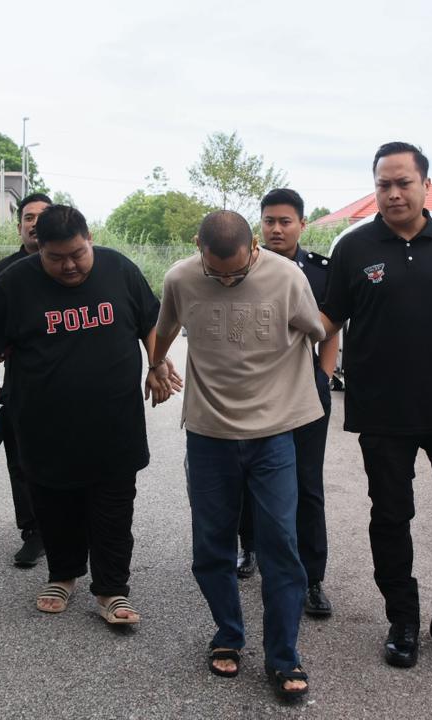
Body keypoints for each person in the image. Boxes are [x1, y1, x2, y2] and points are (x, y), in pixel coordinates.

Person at [319, 142, 432, 669]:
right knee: (390, 517)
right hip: (383, 412)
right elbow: (328, 320)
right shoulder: (354, 248)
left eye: (404, 182)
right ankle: (402, 619)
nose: (394, 193)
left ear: (426, 185)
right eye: (384, 184)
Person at [147, 210, 325, 701]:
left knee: (280, 545)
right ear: (198, 248)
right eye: (217, 273)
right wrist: (155, 362)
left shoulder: (287, 277)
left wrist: (317, 382)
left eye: (238, 272)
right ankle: (228, 632)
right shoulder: (180, 278)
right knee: (212, 544)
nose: (227, 280)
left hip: (273, 435)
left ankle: (283, 655)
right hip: (208, 434)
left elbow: (318, 330)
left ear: (254, 247)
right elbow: (165, 326)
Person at [0, 205, 175, 625]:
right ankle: (62, 576)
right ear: (38, 248)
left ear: (90, 239)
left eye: (78, 254)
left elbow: (149, 322)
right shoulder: (14, 283)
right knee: (54, 505)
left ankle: (112, 590)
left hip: (114, 421)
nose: (69, 266)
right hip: (43, 423)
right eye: (56, 257)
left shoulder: (119, 269)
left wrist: (157, 364)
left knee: (113, 510)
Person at [240, 188, 338, 618]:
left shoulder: (319, 272)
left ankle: (312, 577)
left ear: (301, 224)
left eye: (285, 221)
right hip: (254, 389)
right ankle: (249, 548)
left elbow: (332, 328)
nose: (276, 229)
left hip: (305, 388)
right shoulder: (243, 265)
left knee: (306, 481)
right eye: (269, 221)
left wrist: (324, 377)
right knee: (247, 473)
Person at [0, 192, 52, 568]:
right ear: (19, 227)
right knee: (21, 459)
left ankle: (73, 525)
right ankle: (33, 530)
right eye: (28, 217)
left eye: (43, 216)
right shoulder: (6, 271)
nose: (35, 223)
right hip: (19, 380)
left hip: (65, 383)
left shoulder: (73, 264)